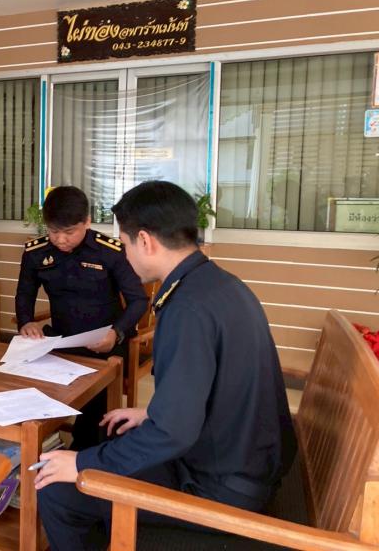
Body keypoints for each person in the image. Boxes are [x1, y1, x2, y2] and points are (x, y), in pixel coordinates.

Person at [33, 181, 297, 551]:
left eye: (125, 244)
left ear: (145, 241)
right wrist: (151, 414)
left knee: (58, 488)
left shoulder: (186, 308)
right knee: (108, 435)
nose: (124, 255)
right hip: (244, 460)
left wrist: (79, 464)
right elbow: (217, 388)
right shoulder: (219, 285)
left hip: (220, 486)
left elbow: (173, 434)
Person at [15, 186, 148, 450]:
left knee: (94, 395)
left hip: (105, 344)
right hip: (61, 340)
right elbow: (24, 293)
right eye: (54, 231)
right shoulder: (36, 252)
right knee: (26, 383)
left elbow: (138, 300)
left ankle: (82, 452)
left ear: (86, 222)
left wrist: (116, 333)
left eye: (69, 232)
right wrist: (26, 321)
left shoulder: (109, 251)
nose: (60, 239)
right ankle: (39, 442)